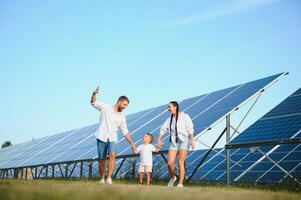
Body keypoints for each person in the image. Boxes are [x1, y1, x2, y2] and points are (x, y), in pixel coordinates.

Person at [90, 86, 136, 184]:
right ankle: (102, 177)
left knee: (112, 154)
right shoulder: (106, 107)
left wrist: (132, 144)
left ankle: (109, 178)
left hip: (112, 138)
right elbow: (93, 103)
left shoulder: (122, 117)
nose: (125, 107)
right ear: (119, 102)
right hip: (101, 136)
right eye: (124, 104)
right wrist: (94, 94)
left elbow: (125, 131)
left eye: (126, 106)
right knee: (101, 159)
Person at [157, 101, 195, 187]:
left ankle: (180, 183)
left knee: (180, 162)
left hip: (184, 140)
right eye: (168, 107)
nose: (168, 109)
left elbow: (190, 129)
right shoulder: (169, 120)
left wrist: (192, 140)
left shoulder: (185, 116)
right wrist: (159, 140)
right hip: (173, 141)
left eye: (169, 107)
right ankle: (172, 177)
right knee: (170, 163)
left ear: (175, 107)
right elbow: (163, 130)